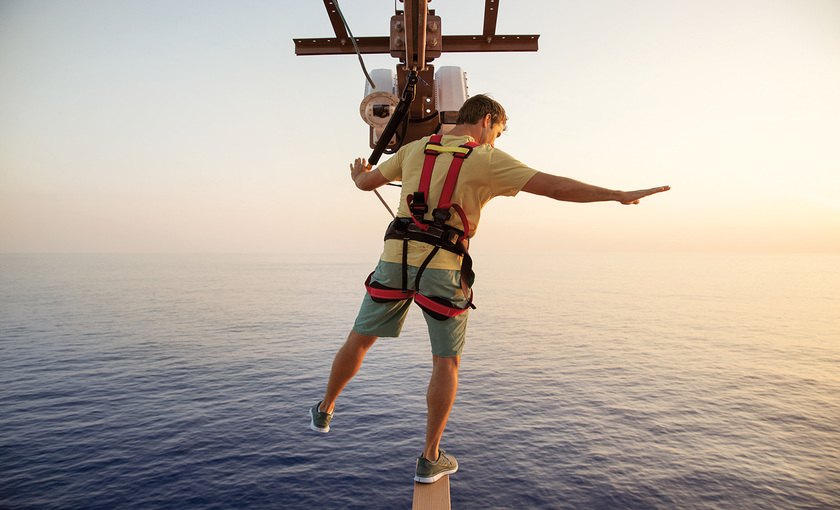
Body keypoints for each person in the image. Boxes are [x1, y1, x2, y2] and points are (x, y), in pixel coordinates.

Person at [309, 94, 670, 483]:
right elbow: (556, 188)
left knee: (359, 340)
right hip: (443, 271)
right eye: (496, 132)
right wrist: (616, 195)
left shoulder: (413, 150)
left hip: (394, 261)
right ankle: (430, 458)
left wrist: (358, 173)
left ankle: (325, 410)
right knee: (445, 362)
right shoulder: (487, 159)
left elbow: (365, 183)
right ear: (485, 120)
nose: (495, 141)